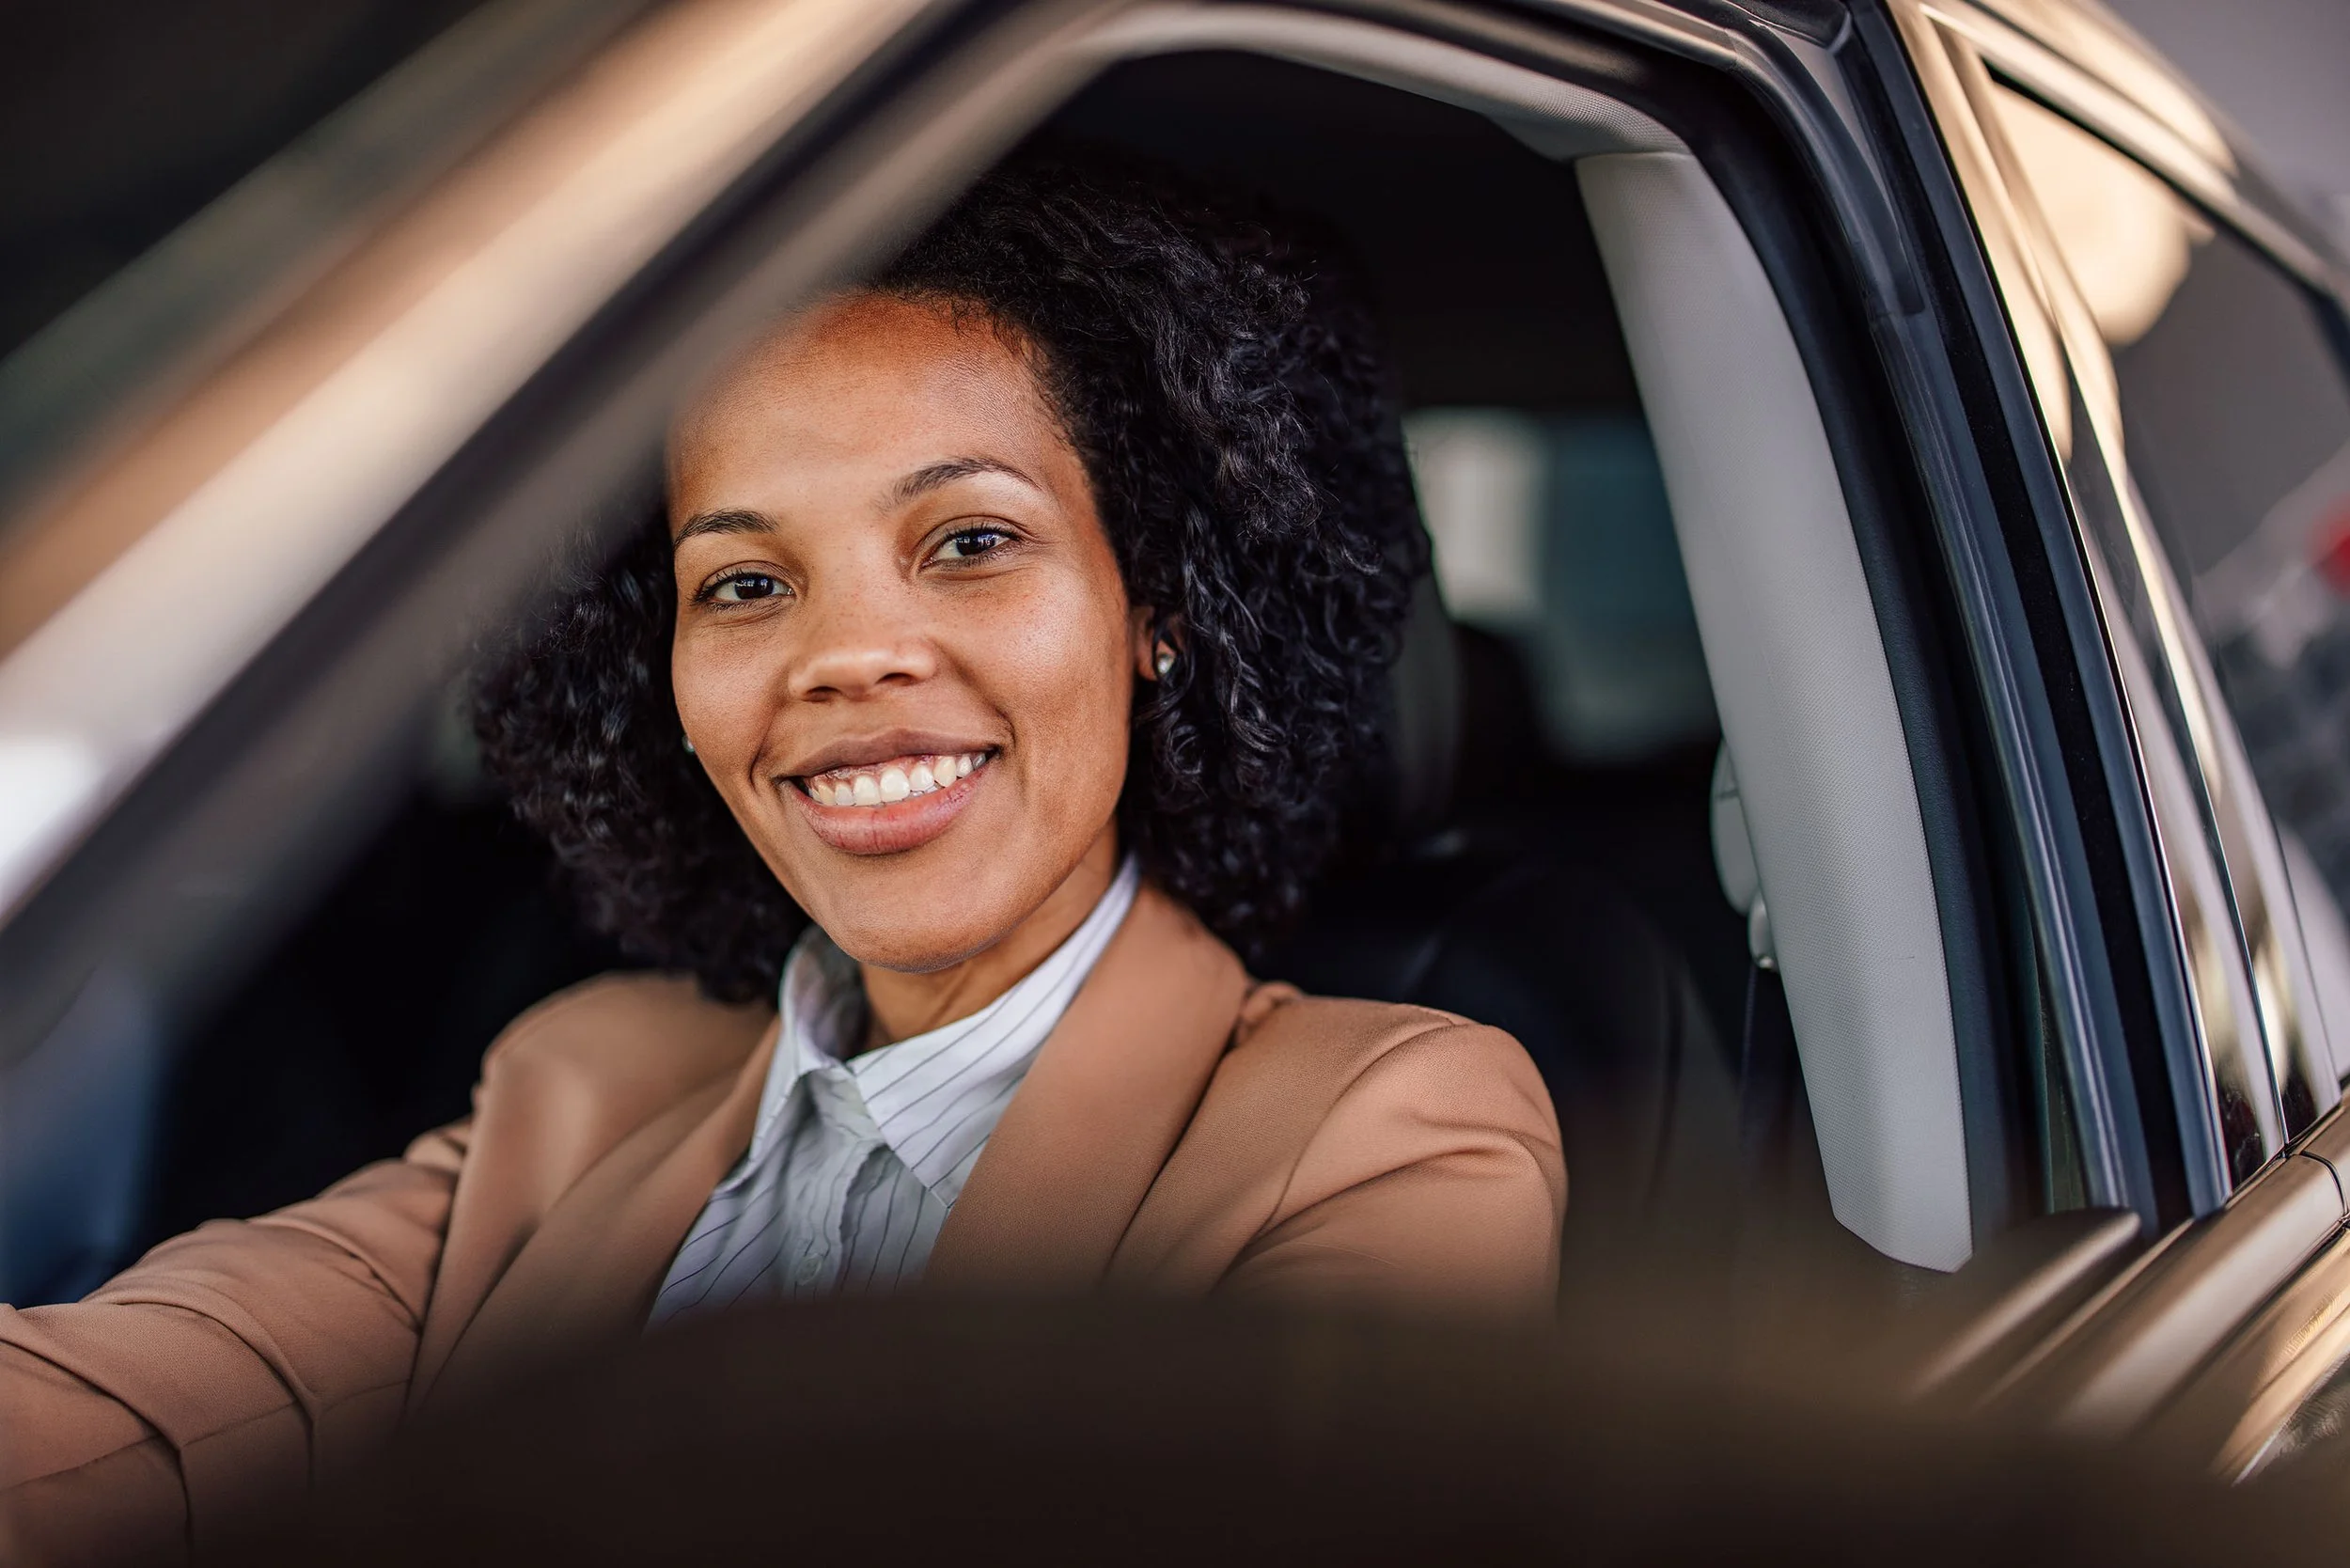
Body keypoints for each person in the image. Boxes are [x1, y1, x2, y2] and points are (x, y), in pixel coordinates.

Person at [0, 156, 1564, 1560]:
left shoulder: (1386, 1125)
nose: (847, 658)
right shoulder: (581, 1079)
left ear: (1157, 608)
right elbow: (127, 1404)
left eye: (968, 542)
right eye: (744, 584)